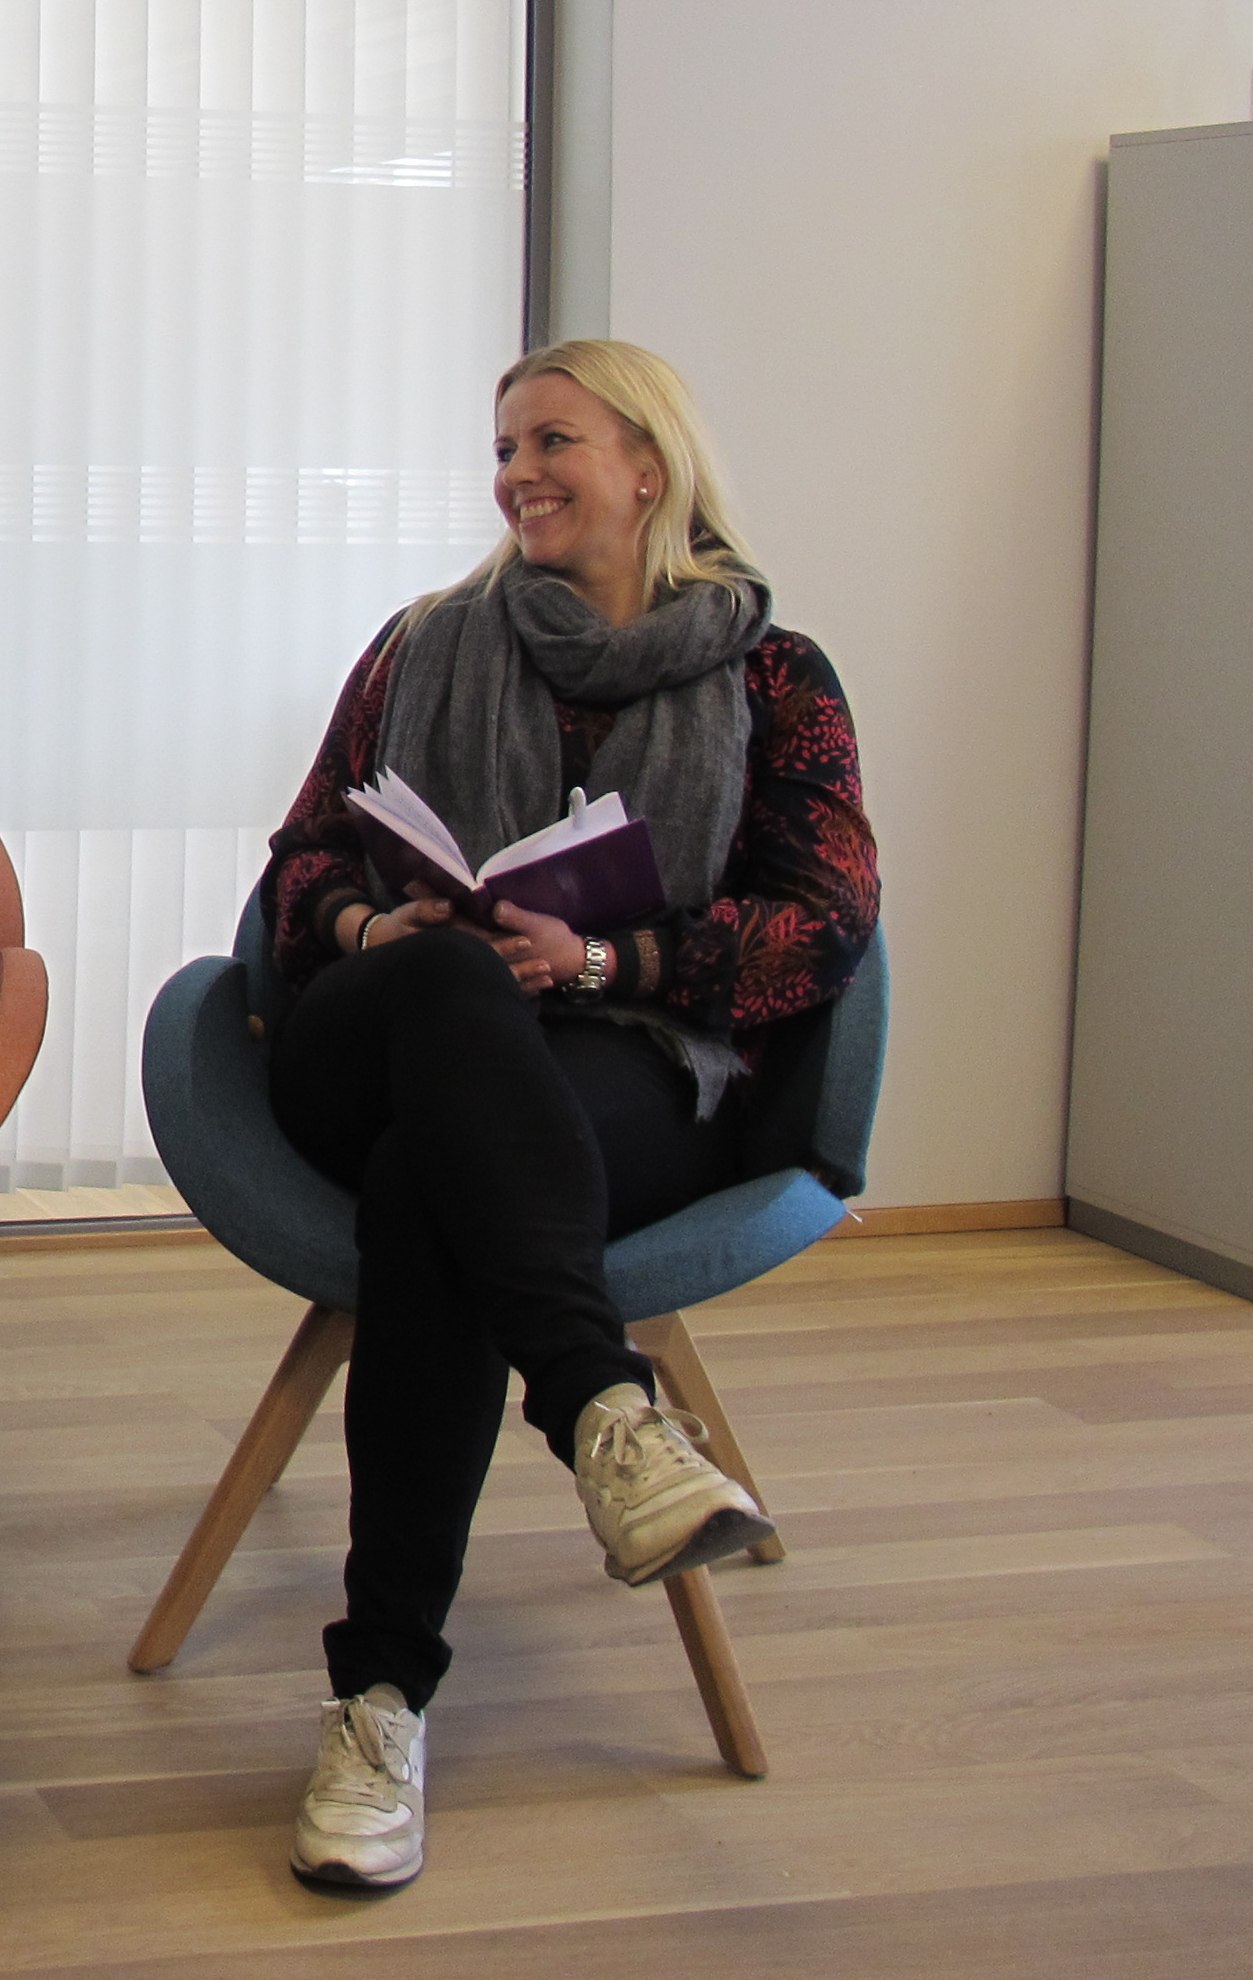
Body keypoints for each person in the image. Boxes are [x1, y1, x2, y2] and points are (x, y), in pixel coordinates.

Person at [257, 339, 879, 1896]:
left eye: (552, 443)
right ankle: (606, 1413)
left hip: (625, 1057)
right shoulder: (423, 644)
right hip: (379, 1029)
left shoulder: (773, 676)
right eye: (505, 448)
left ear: (648, 469)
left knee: (433, 1194)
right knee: (459, 999)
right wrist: (365, 932)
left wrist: (611, 956)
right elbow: (302, 860)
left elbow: (825, 921)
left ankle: (378, 1696)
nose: (516, 475)